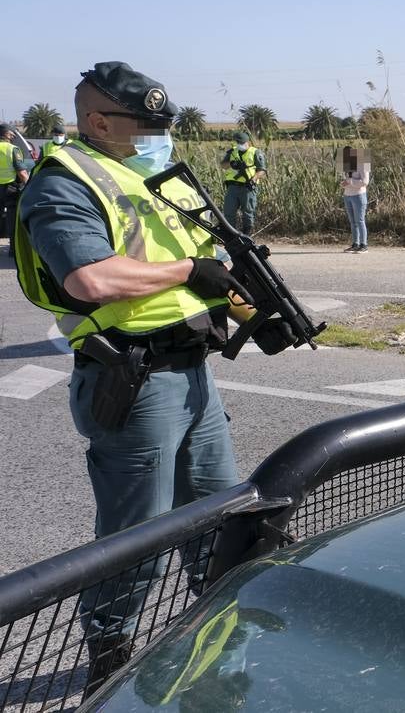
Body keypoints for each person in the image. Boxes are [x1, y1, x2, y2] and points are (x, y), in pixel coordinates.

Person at [14, 62, 294, 689]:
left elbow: (207, 264)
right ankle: (110, 651)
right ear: (98, 122)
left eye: (160, 126)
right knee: (135, 535)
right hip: (135, 381)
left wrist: (247, 307)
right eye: (144, 126)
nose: (156, 135)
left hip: (191, 372)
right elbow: (90, 279)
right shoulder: (64, 183)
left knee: (226, 512)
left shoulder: (151, 175)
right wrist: (189, 274)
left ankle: (218, 630)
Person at [221, 130, 265, 234]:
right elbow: (223, 165)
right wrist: (232, 164)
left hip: (247, 187)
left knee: (248, 212)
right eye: (238, 142)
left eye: (242, 143)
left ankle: (247, 234)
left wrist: (254, 179)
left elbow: (262, 170)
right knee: (229, 212)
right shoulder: (232, 152)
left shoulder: (255, 152)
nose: (240, 145)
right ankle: (230, 234)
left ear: (247, 142)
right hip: (232, 187)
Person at [0, 123, 29, 255]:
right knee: (12, 219)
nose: (13, 136)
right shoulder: (12, 149)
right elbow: (22, 172)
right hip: (9, 188)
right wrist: (29, 184)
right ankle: (13, 249)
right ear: (7, 134)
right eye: (12, 134)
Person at [339, 145, 370, 253]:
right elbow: (346, 179)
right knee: (353, 222)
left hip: (358, 195)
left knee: (360, 220)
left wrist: (350, 182)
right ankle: (355, 244)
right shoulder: (347, 165)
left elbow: (365, 182)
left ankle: (364, 245)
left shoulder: (363, 163)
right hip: (348, 195)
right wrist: (344, 183)